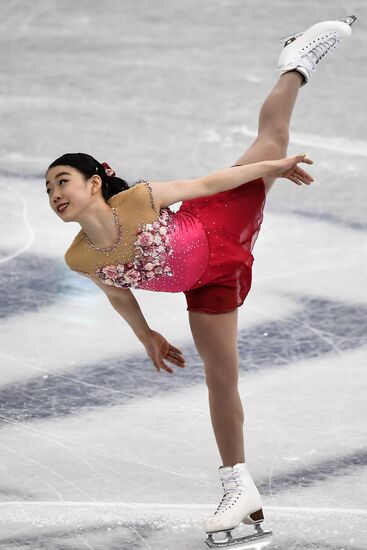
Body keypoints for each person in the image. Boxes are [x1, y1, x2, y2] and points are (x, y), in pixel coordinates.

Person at [44, 14, 356, 548]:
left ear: (94, 183)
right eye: (48, 188)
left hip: (215, 223)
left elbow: (210, 181)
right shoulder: (81, 257)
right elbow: (119, 295)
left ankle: (296, 62)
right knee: (220, 380)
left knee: (271, 138)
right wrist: (148, 336)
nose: (54, 193)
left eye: (62, 181)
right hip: (209, 285)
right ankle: (239, 486)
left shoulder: (136, 199)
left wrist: (272, 167)